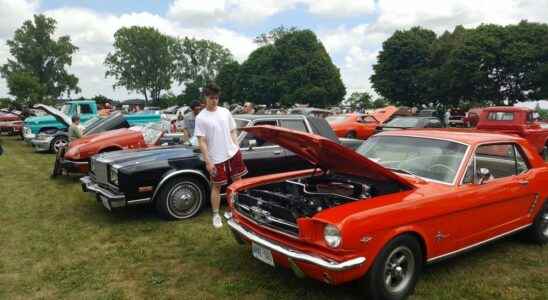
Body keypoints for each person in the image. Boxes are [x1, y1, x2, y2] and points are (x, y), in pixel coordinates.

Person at [195, 83, 247, 228]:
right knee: (217, 186)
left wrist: (236, 147)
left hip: (232, 153)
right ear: (205, 97)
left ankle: (237, 210)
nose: (214, 101)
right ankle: (216, 214)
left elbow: (232, 130)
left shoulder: (225, 112)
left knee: (238, 183)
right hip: (215, 157)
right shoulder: (201, 117)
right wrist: (208, 161)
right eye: (211, 98)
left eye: (217, 98)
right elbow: (202, 141)